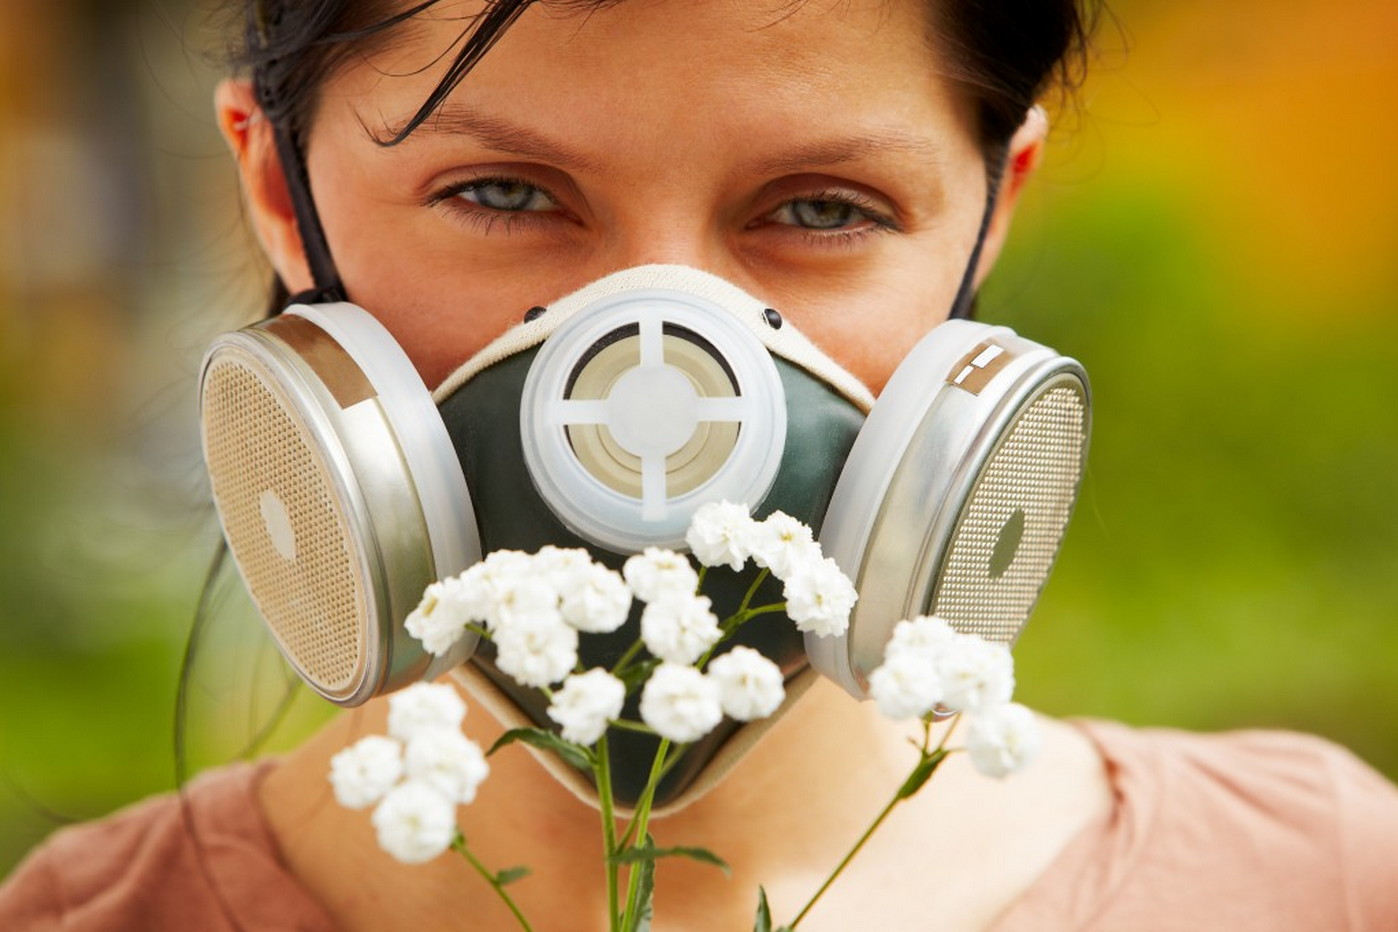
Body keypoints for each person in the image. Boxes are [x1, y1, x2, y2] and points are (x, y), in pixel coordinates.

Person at [3, 1, 1397, 929]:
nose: (656, 373)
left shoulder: (1318, 887)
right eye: (502, 194)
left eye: (818, 208)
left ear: (991, 215)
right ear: (274, 189)